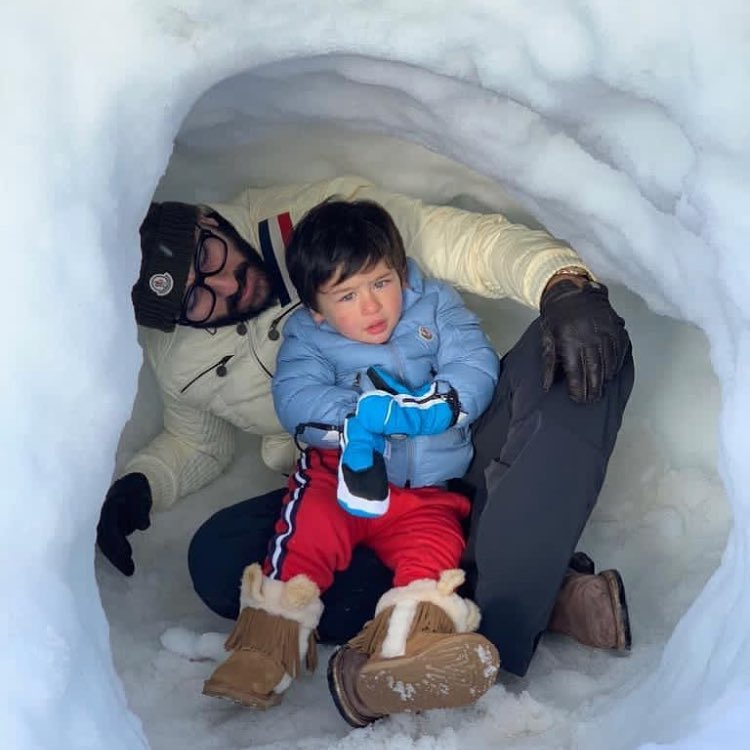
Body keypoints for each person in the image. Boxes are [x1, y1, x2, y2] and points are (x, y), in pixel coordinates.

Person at [97, 174, 633, 679]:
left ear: (207, 219)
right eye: (196, 296)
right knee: (219, 560)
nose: (226, 282)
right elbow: (196, 443)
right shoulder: (176, 358)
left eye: (208, 255)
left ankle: (495, 610)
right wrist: (142, 483)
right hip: (355, 479)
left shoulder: (321, 221)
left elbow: (463, 243)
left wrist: (562, 284)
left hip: (463, 441)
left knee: (584, 355)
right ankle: (490, 599)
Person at [202, 199, 501, 724]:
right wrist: (359, 418)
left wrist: (442, 406)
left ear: (401, 272)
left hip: (427, 493)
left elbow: (474, 361)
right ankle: (264, 651)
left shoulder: (434, 306)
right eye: (348, 294)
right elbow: (296, 399)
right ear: (318, 308)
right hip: (339, 479)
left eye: (382, 283)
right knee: (303, 540)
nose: (373, 307)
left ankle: (404, 655)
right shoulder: (307, 336)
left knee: (434, 561)